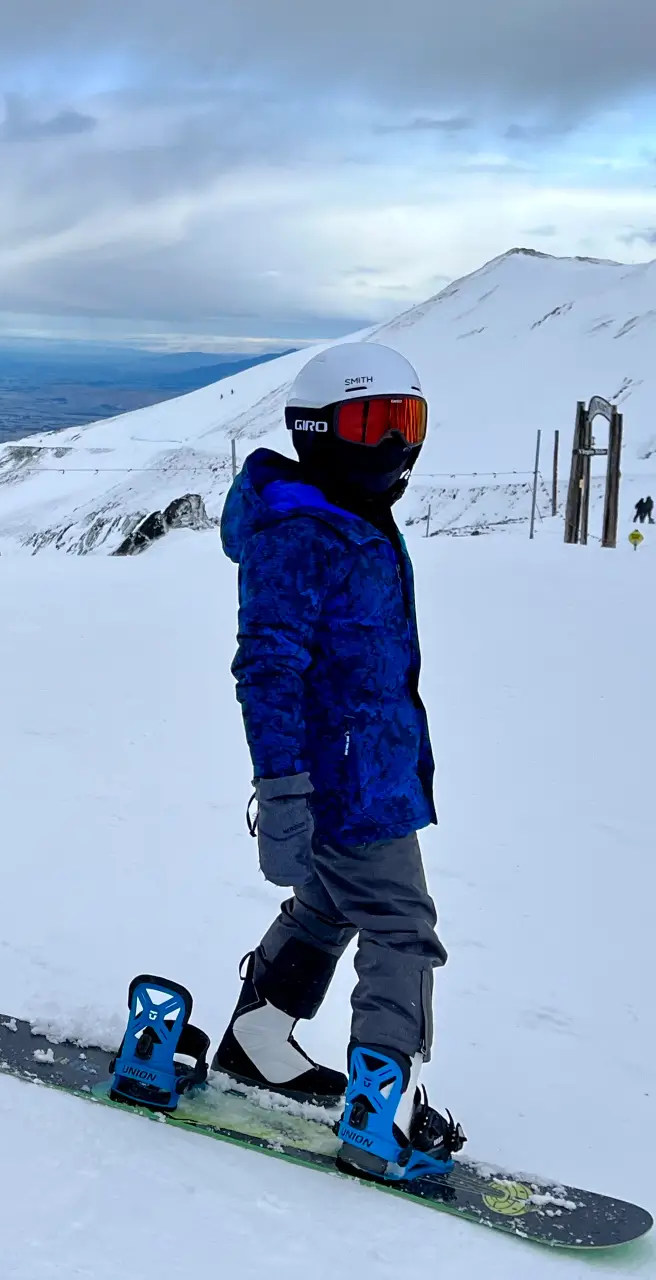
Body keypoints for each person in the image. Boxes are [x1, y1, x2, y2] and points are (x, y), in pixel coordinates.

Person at [214, 342, 464, 1183]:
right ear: (320, 431)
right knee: (402, 927)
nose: (394, 443)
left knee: (326, 902)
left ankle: (256, 1039)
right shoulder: (300, 531)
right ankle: (373, 1118)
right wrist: (283, 790)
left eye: (406, 420)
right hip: (345, 782)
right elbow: (268, 666)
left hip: (374, 764)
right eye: (371, 422)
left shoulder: (351, 515)